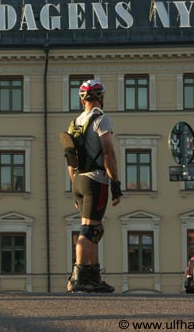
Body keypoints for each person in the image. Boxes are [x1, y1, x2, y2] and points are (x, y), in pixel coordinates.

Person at [65, 80, 123, 293]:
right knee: (89, 229)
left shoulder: (75, 122)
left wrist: (74, 188)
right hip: (96, 180)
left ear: (82, 99)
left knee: (94, 229)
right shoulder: (101, 120)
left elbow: (70, 159)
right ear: (102, 98)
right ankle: (79, 276)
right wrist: (115, 183)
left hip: (78, 180)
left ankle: (92, 275)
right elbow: (108, 152)